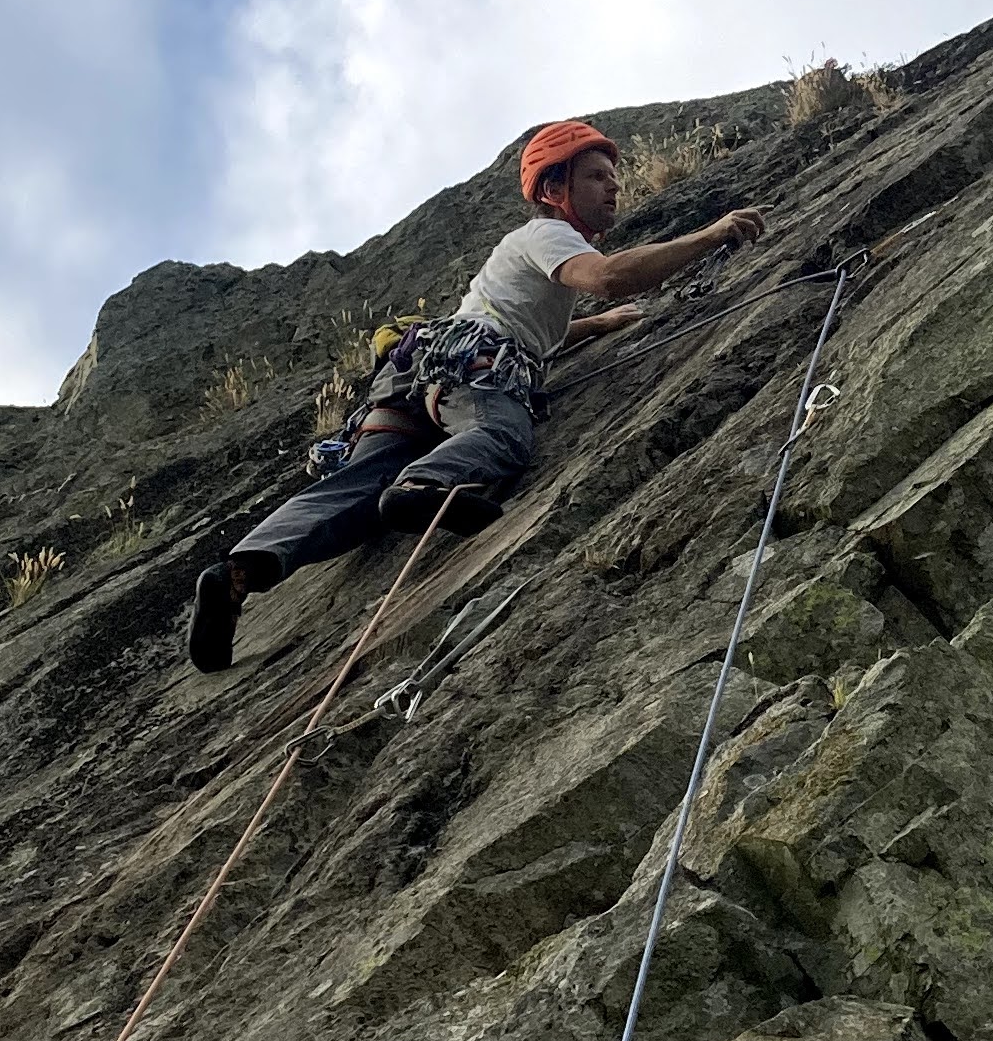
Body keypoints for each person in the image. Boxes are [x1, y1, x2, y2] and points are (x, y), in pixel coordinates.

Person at [185, 120, 764, 671]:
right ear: (554, 189)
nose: (613, 186)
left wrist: (598, 325)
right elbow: (609, 277)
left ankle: (239, 573)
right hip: (471, 370)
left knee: (355, 490)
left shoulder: (521, 259)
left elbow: (529, 326)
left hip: (414, 381)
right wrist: (710, 234)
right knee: (501, 434)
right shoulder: (548, 233)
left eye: (614, 176)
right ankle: (423, 486)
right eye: (596, 176)